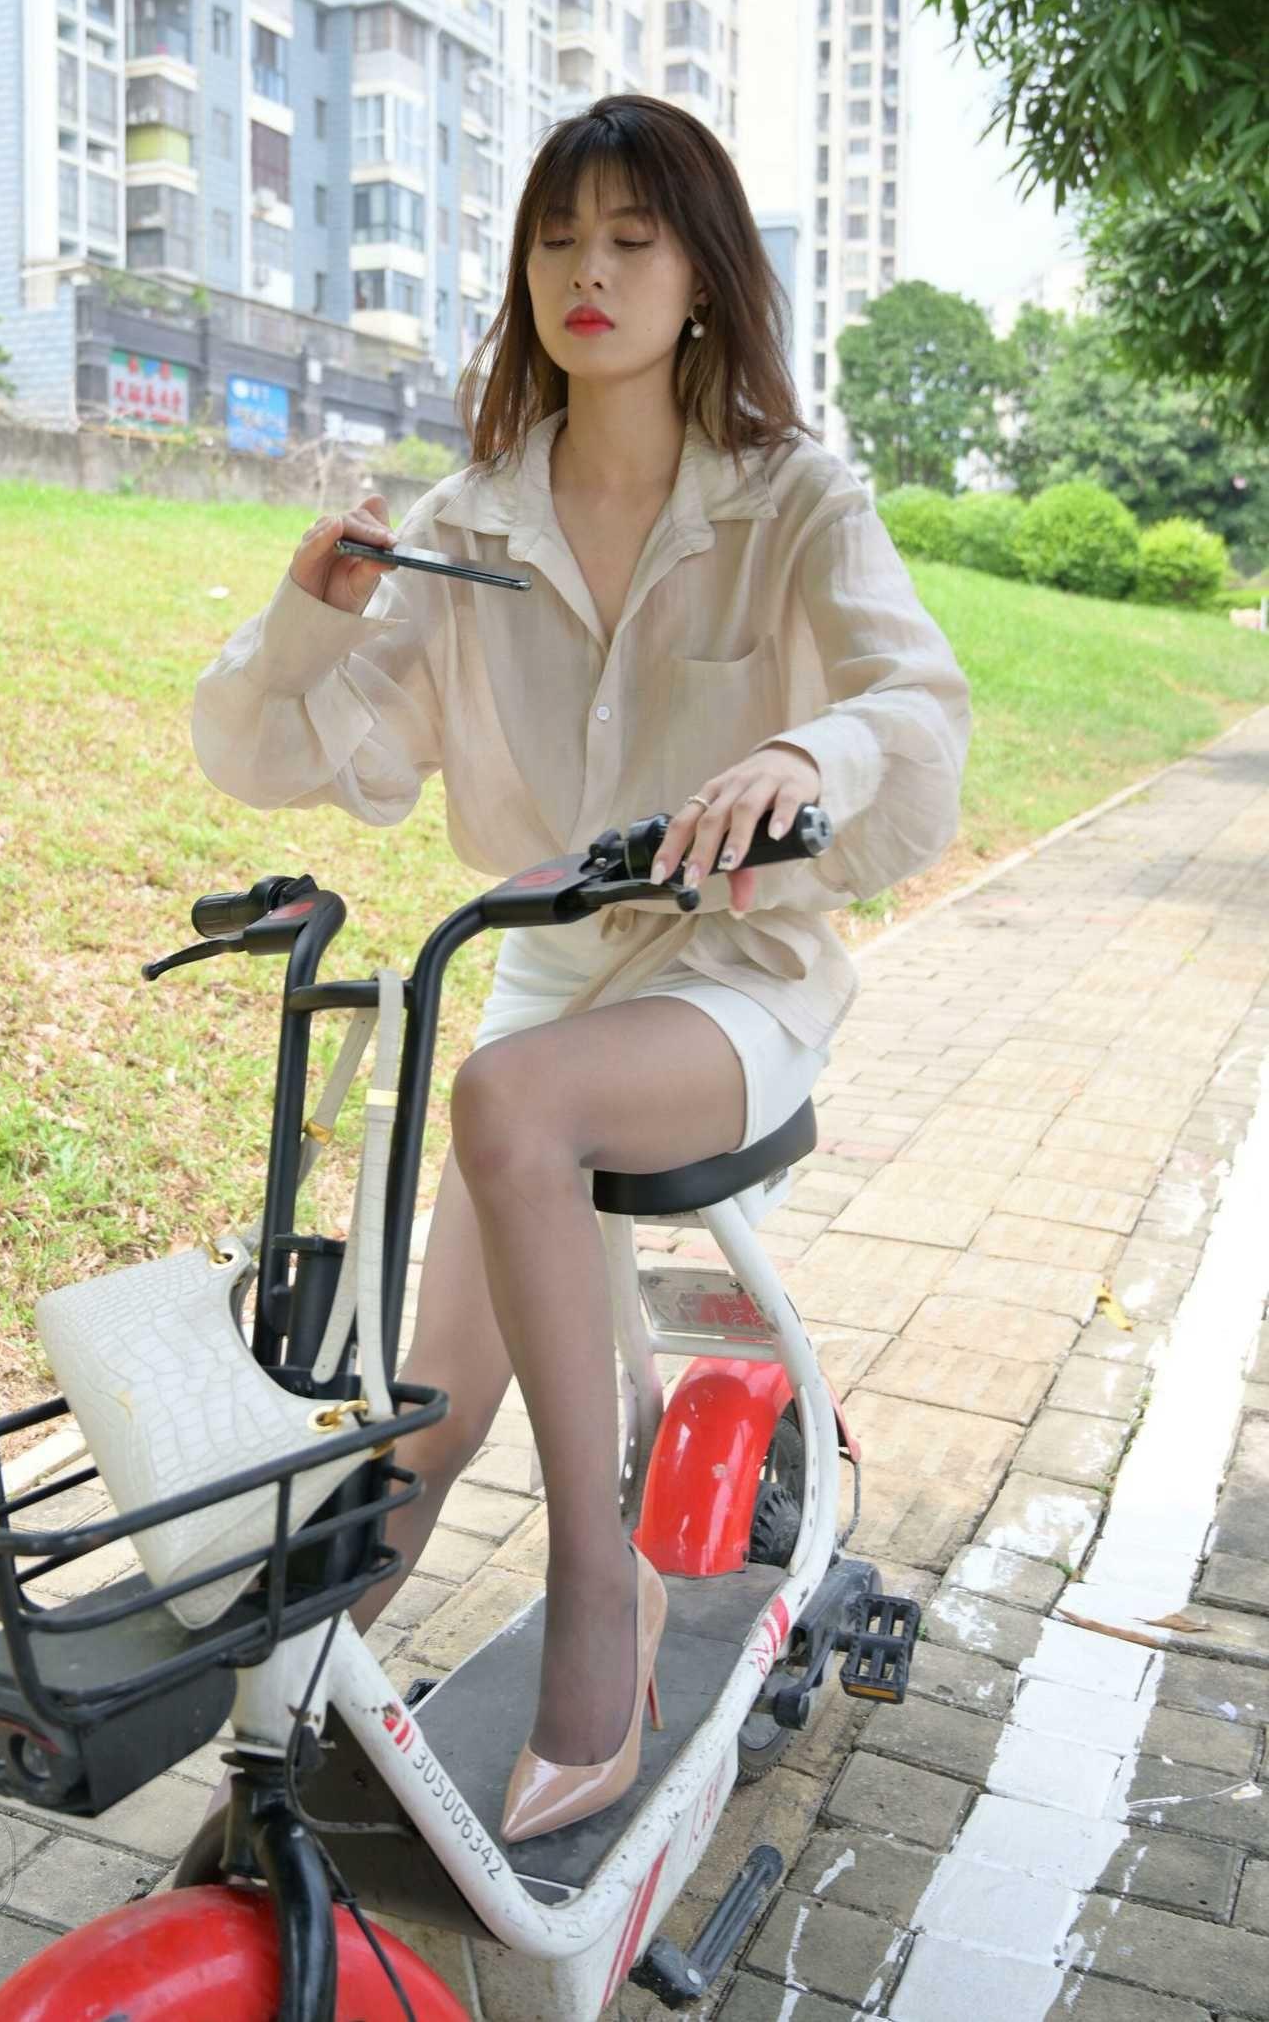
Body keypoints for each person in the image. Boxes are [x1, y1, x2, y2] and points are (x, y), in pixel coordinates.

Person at [192, 94, 970, 1844]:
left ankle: (597, 1593)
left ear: (703, 278)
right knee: (426, 1413)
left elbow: (917, 711)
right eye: (557, 241)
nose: (587, 273)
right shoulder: (470, 521)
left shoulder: (795, 500)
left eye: (630, 239)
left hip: (737, 977)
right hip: (551, 984)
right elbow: (273, 750)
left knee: (502, 1097)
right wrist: (313, 618)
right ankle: (264, 1728)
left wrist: (809, 754)